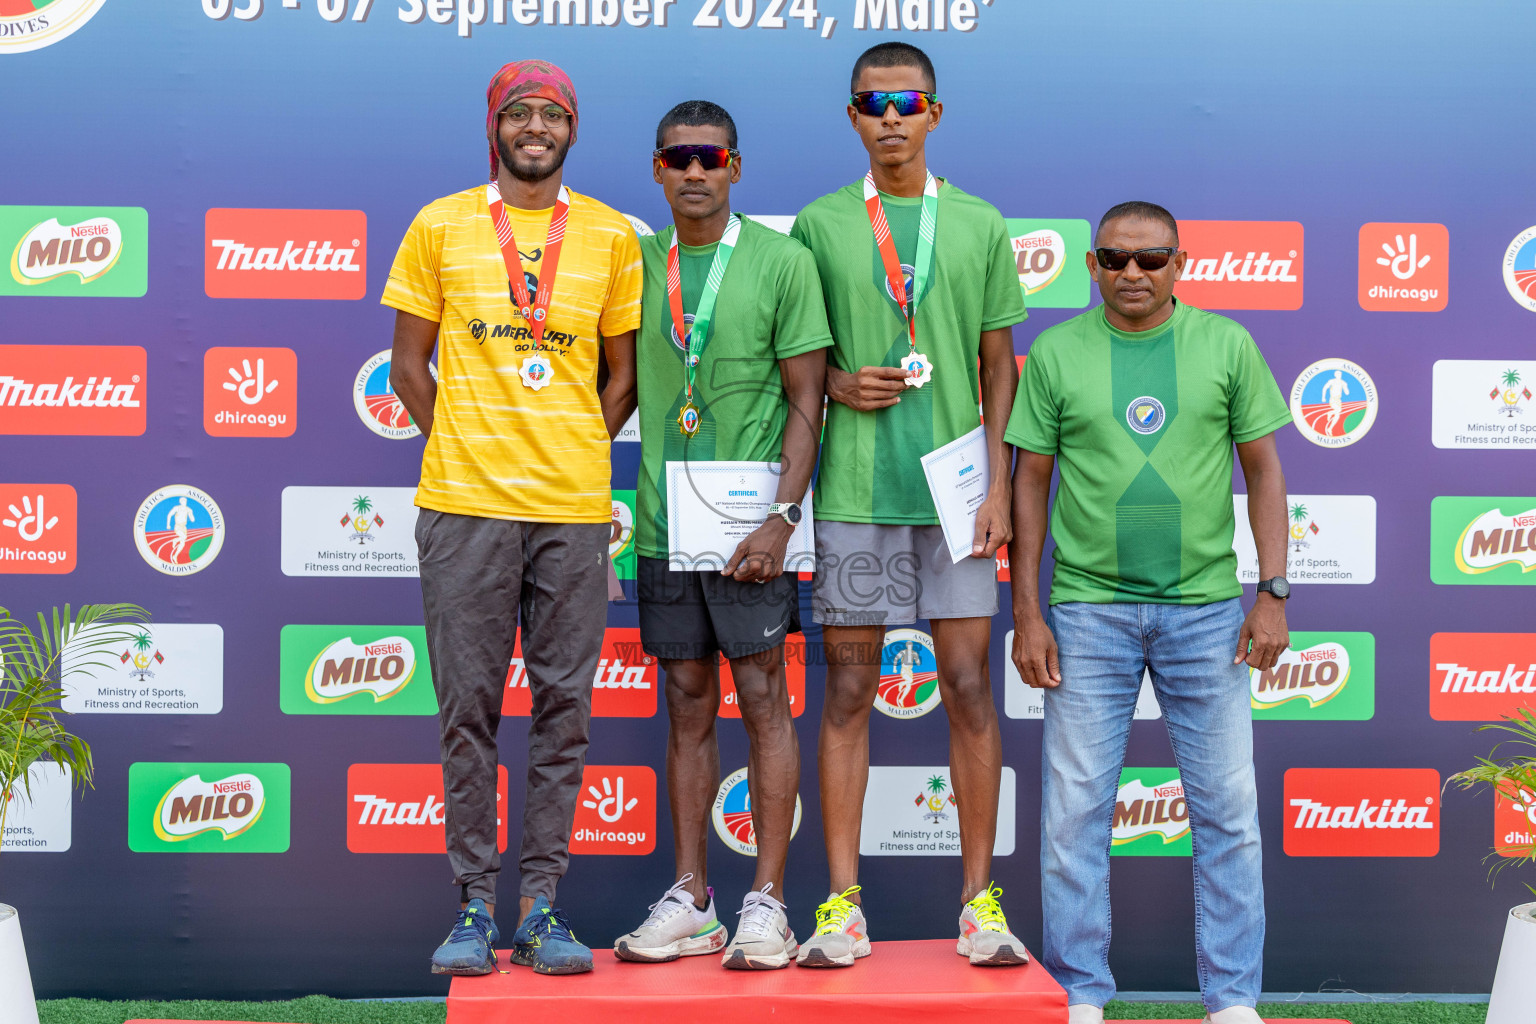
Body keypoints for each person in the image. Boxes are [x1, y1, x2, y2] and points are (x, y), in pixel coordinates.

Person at [381, 59, 643, 978]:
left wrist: (572, 445)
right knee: (469, 711)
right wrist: (469, 442)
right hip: (463, 506)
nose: (536, 126)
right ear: (493, 125)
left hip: (571, 512)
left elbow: (624, 376)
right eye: (520, 113)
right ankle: (468, 908)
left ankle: (541, 910)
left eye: (553, 114)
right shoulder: (440, 225)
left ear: (573, 130)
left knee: (565, 711)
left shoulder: (613, 236)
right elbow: (409, 366)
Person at [1007, 201, 1292, 1024]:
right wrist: (1028, 612)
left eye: (1152, 259)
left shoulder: (1226, 344)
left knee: (1229, 814)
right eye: (1114, 258)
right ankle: (1082, 996)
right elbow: (1029, 484)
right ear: (1091, 264)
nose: (1133, 273)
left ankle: (1234, 1002)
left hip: (1206, 611)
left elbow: (1264, 472)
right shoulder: (1057, 351)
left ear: (1181, 263)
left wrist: (1272, 592)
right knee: (1073, 816)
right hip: (1087, 612)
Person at [789, 41, 1029, 968]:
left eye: (908, 102)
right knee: (849, 689)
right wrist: (840, 384)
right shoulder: (818, 224)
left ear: (936, 113)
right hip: (853, 492)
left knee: (969, 688)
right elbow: (800, 361)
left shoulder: (978, 222)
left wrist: (1000, 486)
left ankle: (978, 905)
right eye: (872, 102)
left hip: (958, 500)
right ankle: (842, 907)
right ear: (852, 116)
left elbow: (999, 363)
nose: (891, 117)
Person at [611, 101, 832, 971]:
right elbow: (619, 386)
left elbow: (808, 404)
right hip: (666, 525)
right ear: (657, 170)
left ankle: (769, 901)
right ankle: (694, 897)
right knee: (688, 709)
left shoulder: (783, 262)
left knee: (765, 702)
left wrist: (782, 518)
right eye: (678, 158)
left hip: (752, 532)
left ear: (735, 168)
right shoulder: (636, 265)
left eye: (711, 158)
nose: (695, 172)